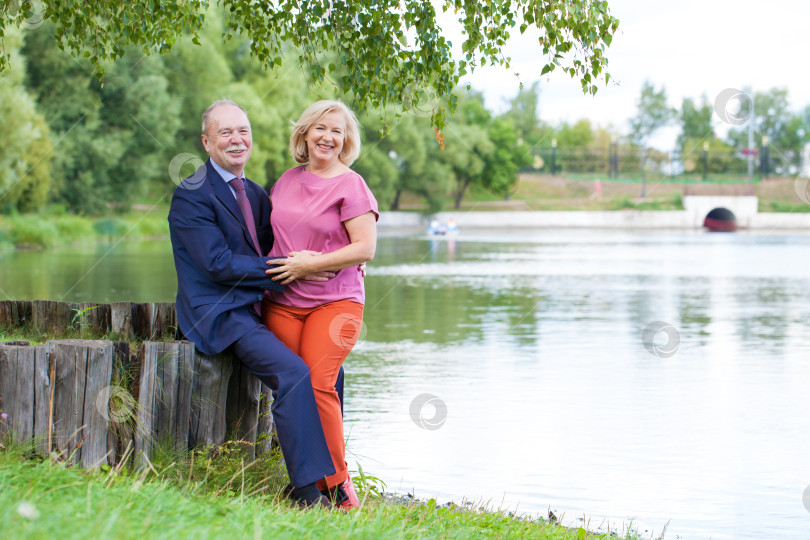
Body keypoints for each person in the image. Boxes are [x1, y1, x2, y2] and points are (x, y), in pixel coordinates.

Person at [167, 99, 336, 508]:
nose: (236, 139)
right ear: (207, 142)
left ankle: (335, 477)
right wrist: (295, 269)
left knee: (328, 370)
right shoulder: (192, 193)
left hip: (261, 308)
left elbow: (282, 247)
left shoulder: (258, 194)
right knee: (294, 374)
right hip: (221, 312)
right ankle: (307, 493)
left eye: (243, 131)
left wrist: (332, 265)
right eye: (225, 133)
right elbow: (217, 264)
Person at [263, 100, 378, 511]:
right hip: (283, 302)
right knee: (293, 390)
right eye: (321, 128)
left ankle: (339, 485)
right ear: (305, 134)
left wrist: (315, 262)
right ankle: (305, 485)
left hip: (337, 302)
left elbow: (365, 247)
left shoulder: (352, 185)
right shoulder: (286, 180)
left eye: (337, 131)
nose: (329, 137)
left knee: (317, 383)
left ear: (346, 140)